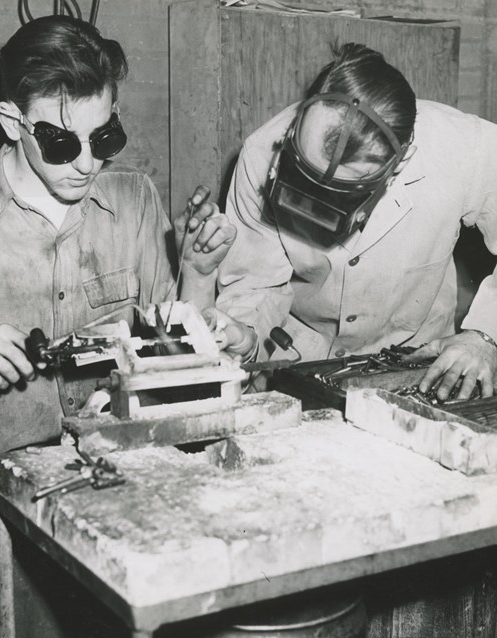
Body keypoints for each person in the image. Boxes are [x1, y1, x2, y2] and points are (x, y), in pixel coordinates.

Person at [0, 16, 235, 546]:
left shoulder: (133, 201)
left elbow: (171, 357)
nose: (86, 164)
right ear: (12, 122)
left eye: (104, 136)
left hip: (122, 450)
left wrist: (199, 274)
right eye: (61, 143)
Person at [213, 42, 497, 401]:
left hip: (418, 362)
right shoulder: (260, 152)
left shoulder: (463, 146)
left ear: (401, 163)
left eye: (342, 192)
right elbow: (254, 286)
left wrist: (486, 335)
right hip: (297, 359)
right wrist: (245, 334)